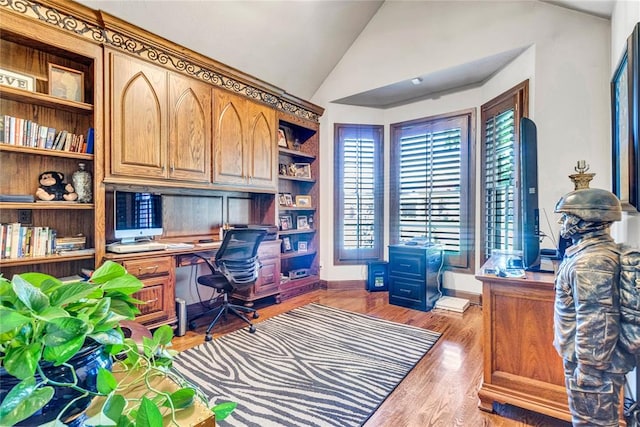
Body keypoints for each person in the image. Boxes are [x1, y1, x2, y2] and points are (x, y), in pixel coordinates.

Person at [553, 188, 636, 426]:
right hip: (589, 362)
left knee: (592, 422)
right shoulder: (591, 253)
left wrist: (589, 370)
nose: (563, 222)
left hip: (593, 367)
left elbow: (597, 322)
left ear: (586, 220)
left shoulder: (591, 263)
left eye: (567, 216)